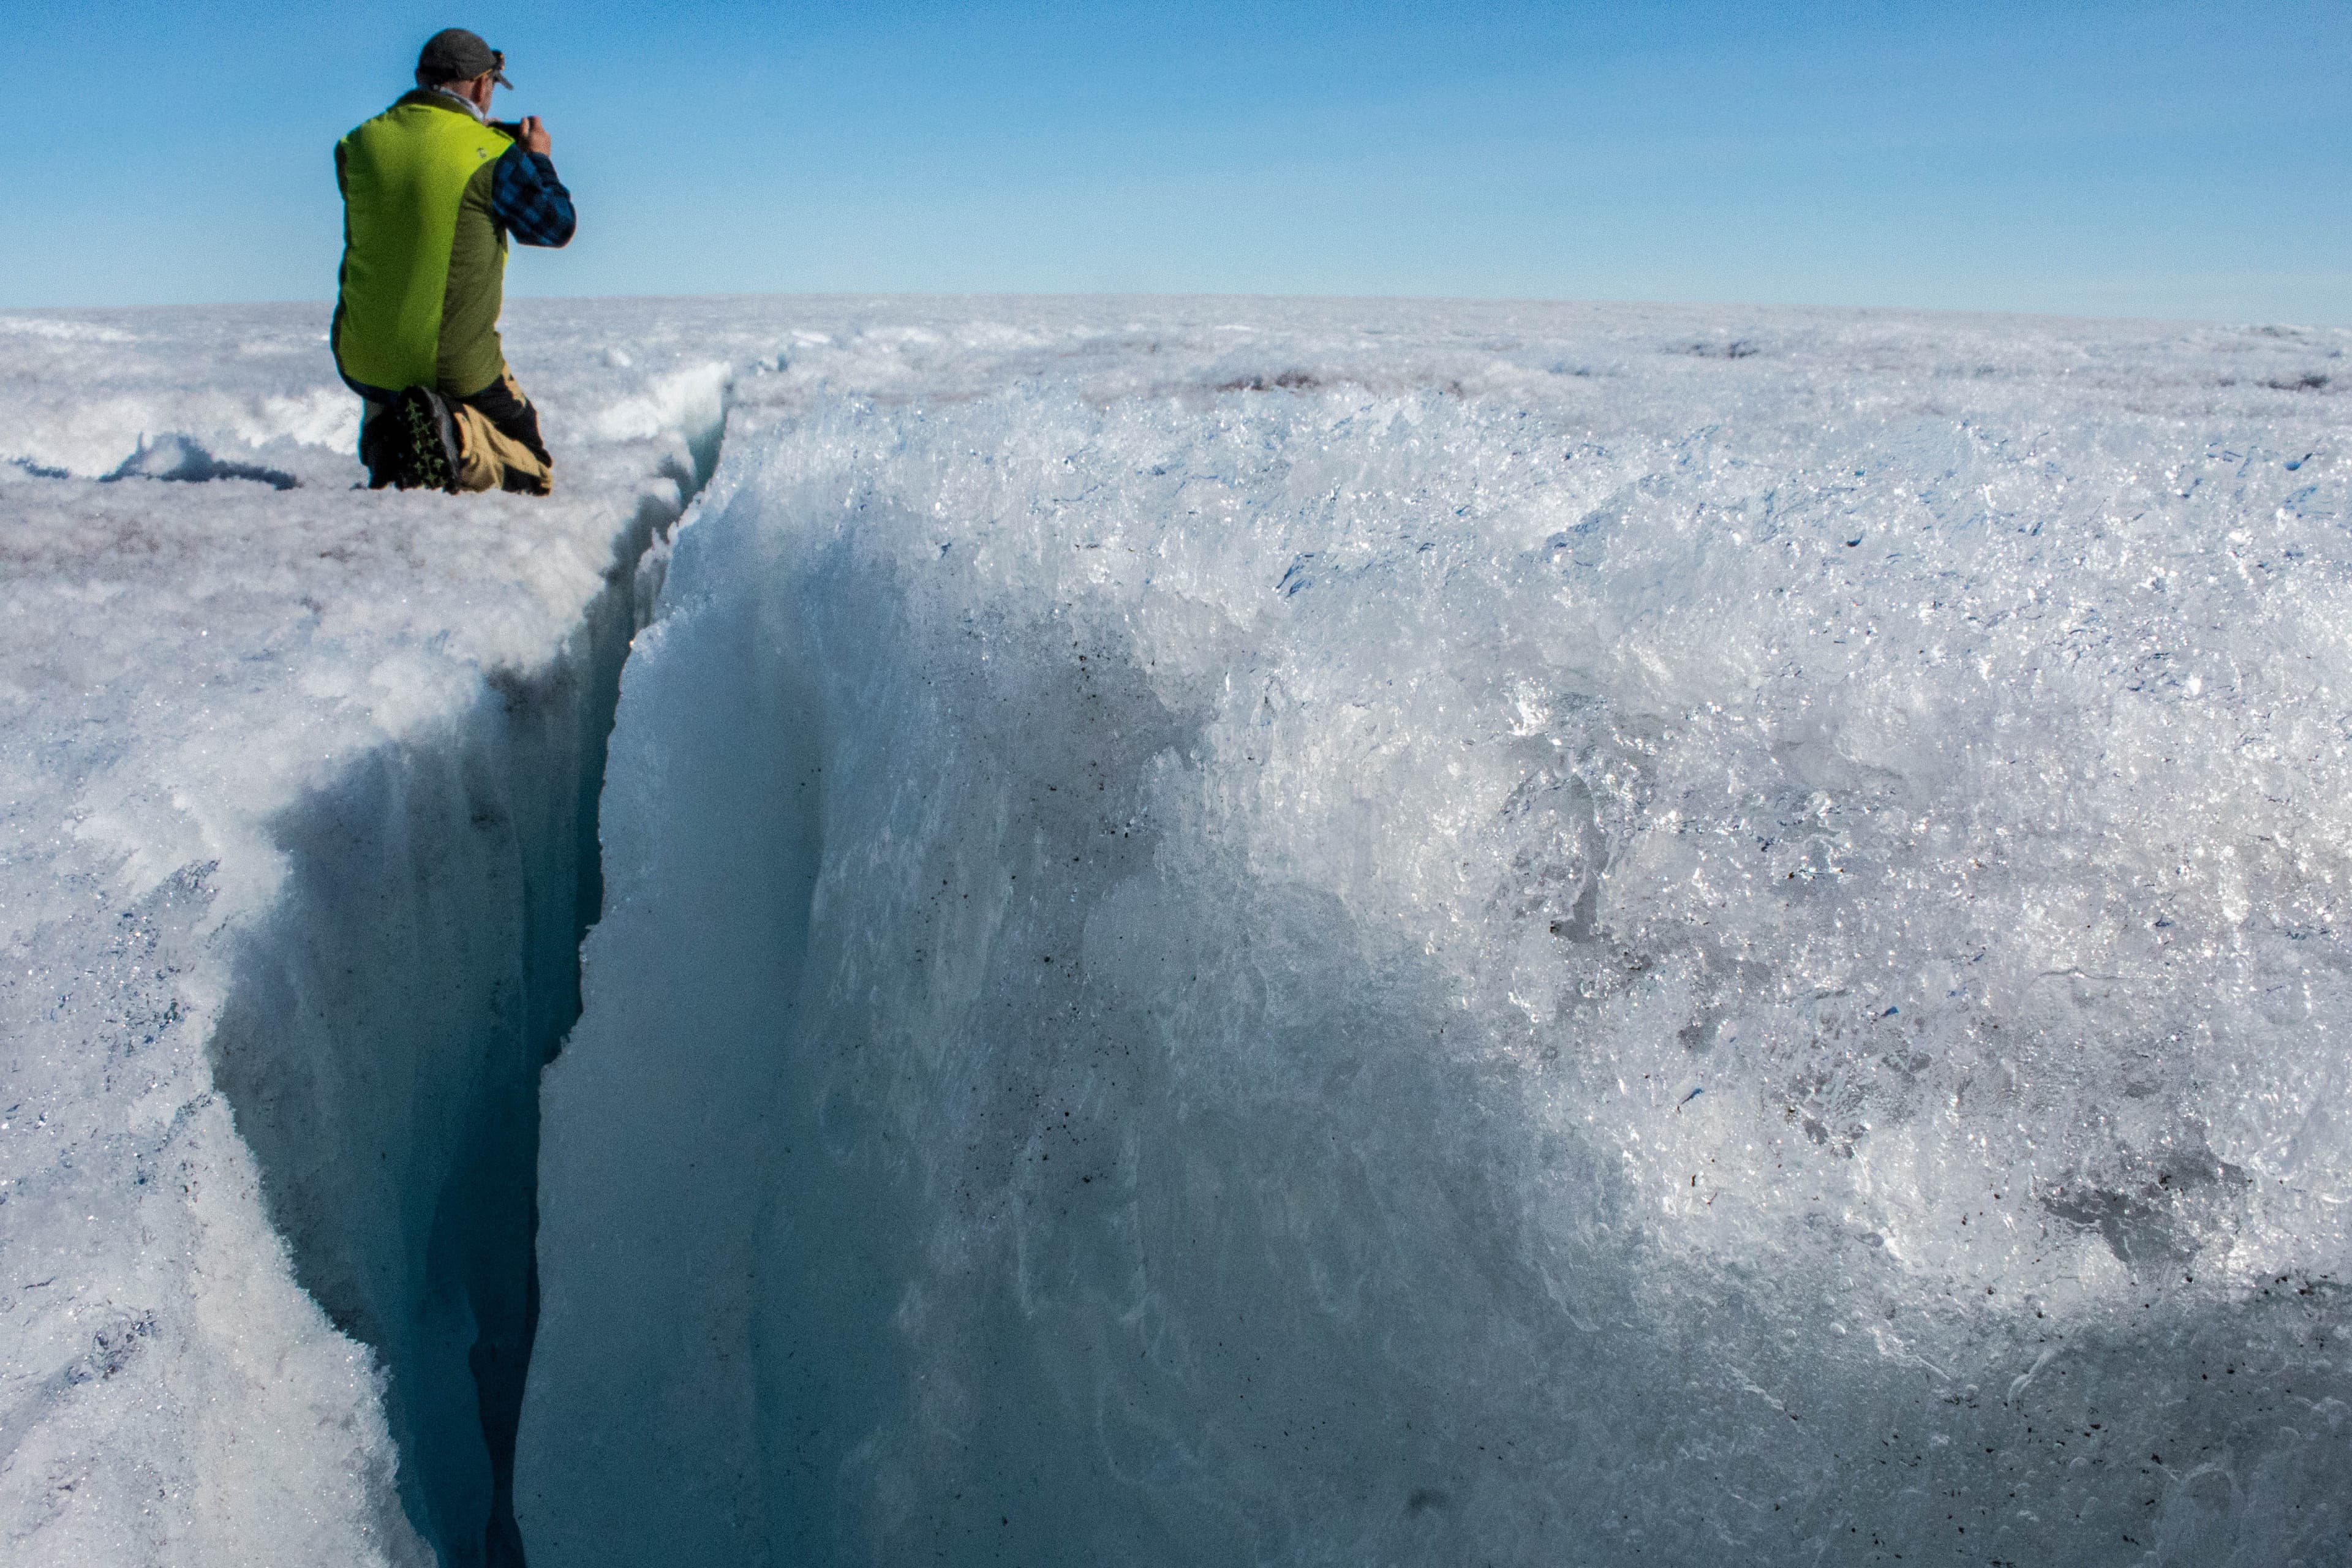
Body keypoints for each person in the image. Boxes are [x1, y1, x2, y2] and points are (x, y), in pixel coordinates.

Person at [333, 28, 576, 494]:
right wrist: (537, 160)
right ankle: (457, 438)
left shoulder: (358, 145)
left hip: (365, 357)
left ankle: (390, 438)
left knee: (393, 380)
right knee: (534, 463)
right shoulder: (495, 156)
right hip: (455, 364)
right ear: (483, 86)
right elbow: (555, 226)